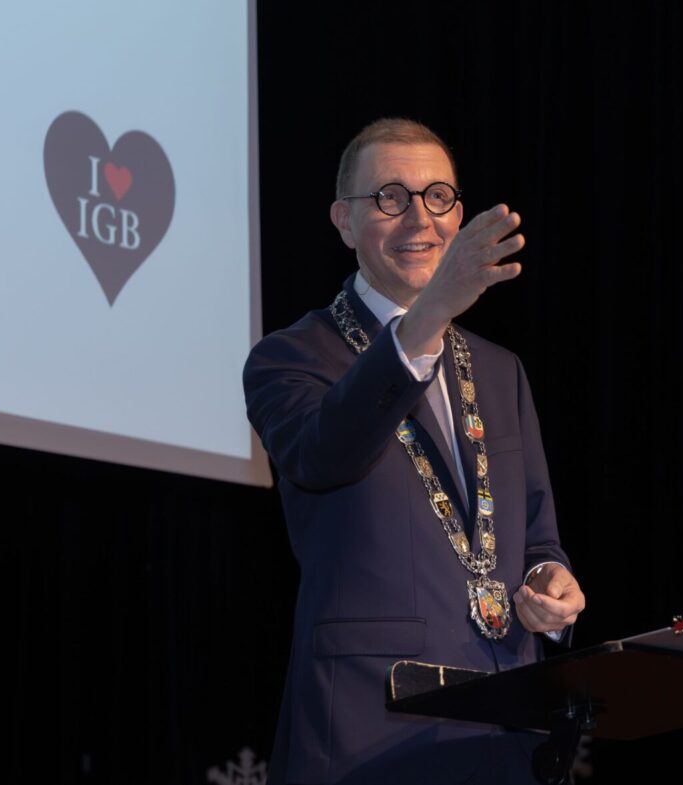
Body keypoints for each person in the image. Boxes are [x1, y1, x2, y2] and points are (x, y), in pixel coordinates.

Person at [243, 118, 586, 785]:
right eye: (391, 197)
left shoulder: (501, 370)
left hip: (506, 726)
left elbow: (538, 536)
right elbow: (325, 456)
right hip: (372, 729)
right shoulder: (291, 356)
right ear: (344, 222)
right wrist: (429, 314)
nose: (419, 218)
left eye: (438, 197)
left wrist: (552, 584)